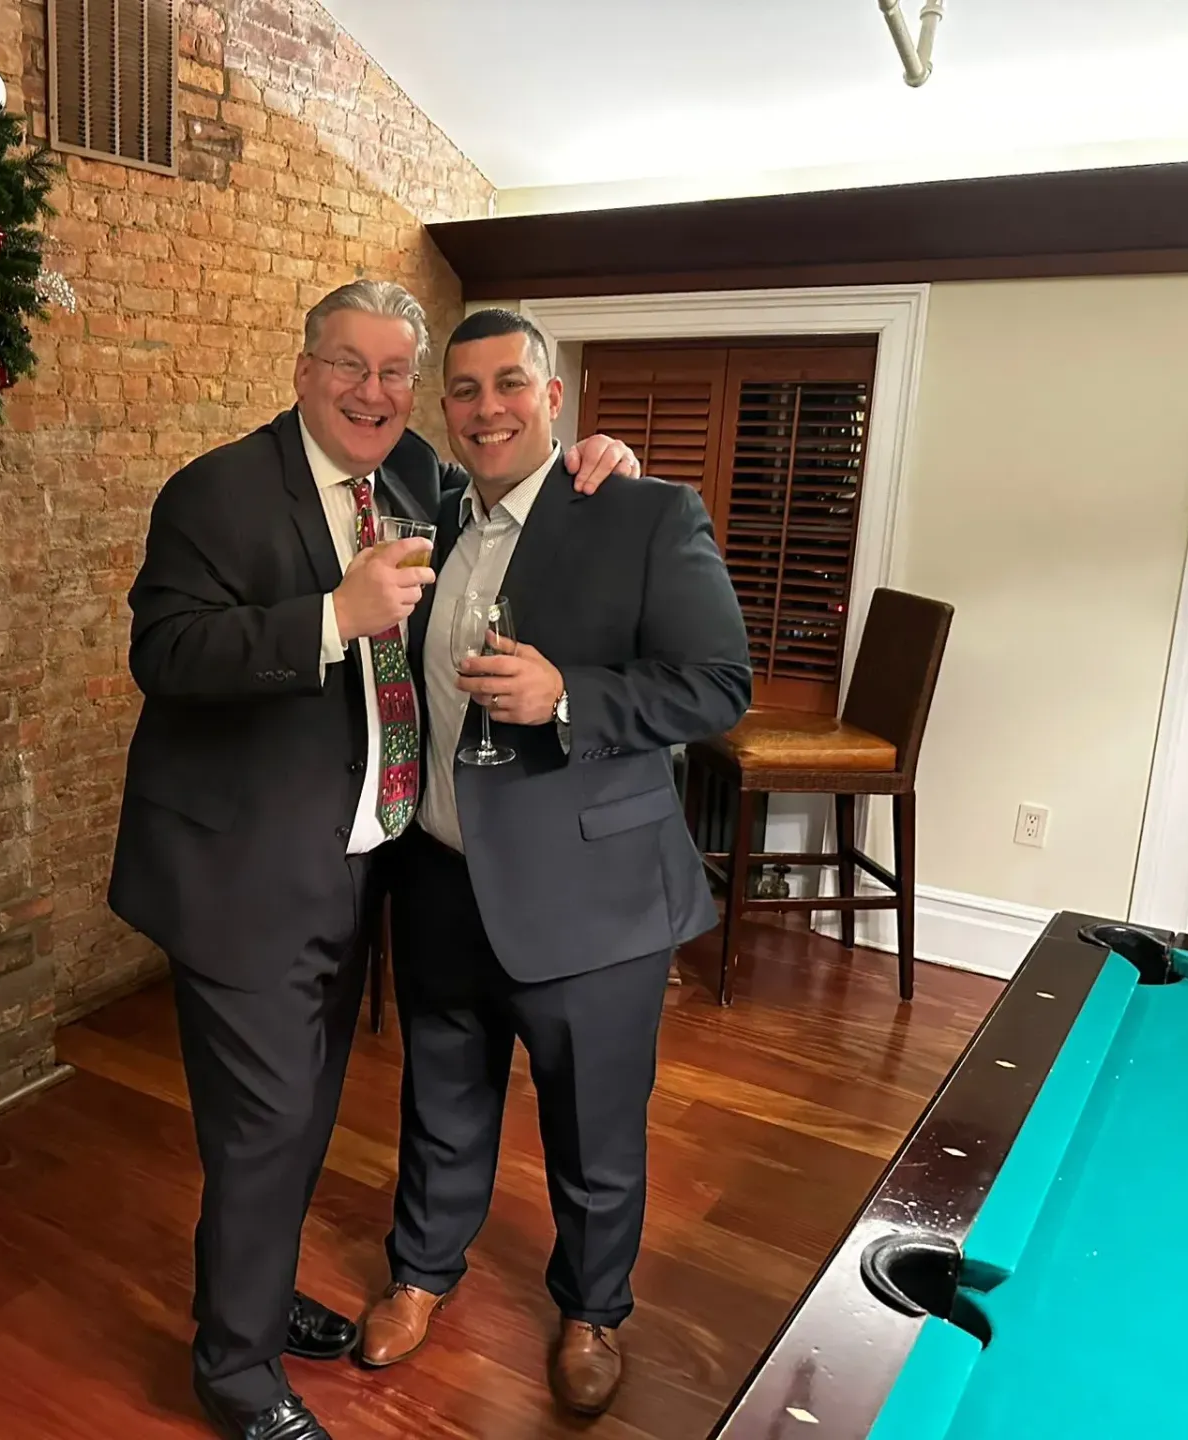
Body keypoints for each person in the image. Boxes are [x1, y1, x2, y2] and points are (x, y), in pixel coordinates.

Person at [107, 281, 641, 1440]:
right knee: (264, 1125)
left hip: (354, 867)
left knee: (300, 1117)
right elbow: (164, 652)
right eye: (349, 365)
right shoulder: (216, 490)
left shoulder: (414, 482)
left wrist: (601, 461)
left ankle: (246, 1298)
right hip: (241, 876)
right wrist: (328, 619)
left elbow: (517, 483)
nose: (373, 390)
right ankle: (235, 1372)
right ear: (304, 370)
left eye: (398, 371)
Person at [354, 308, 752, 1418]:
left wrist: (571, 694)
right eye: (465, 389)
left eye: (510, 384)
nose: (488, 409)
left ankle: (591, 1309)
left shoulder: (643, 513)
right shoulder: (430, 513)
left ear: (554, 395)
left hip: (592, 892)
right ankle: (420, 1272)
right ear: (445, 408)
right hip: (441, 871)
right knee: (440, 1096)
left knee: (593, 1123)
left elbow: (719, 684)